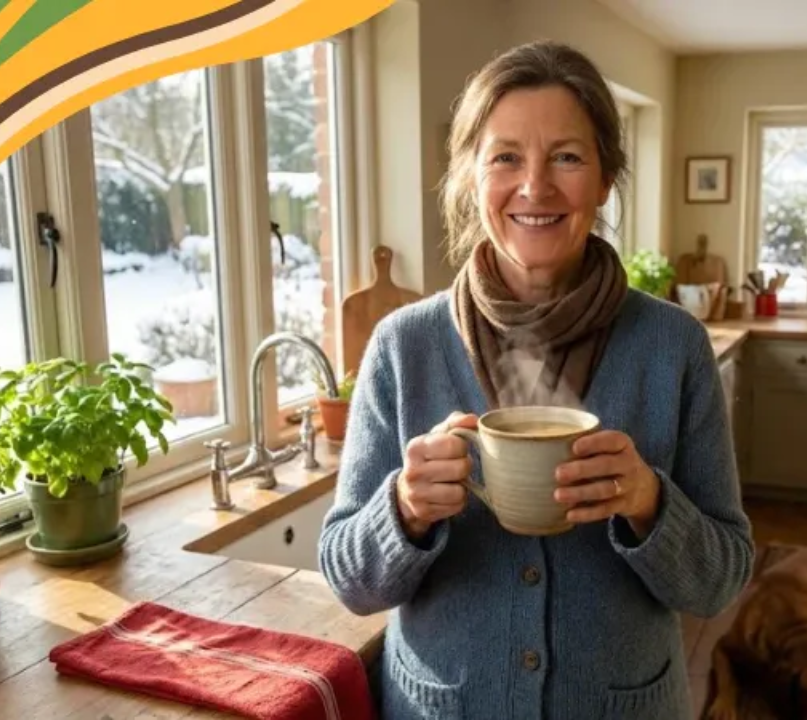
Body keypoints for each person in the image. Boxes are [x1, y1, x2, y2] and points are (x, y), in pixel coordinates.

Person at [318, 40, 755, 719]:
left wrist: (647, 502)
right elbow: (349, 579)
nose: (535, 187)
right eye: (505, 157)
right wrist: (401, 507)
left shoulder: (673, 347)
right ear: (469, 176)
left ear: (606, 177)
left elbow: (721, 579)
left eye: (568, 157)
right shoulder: (404, 347)